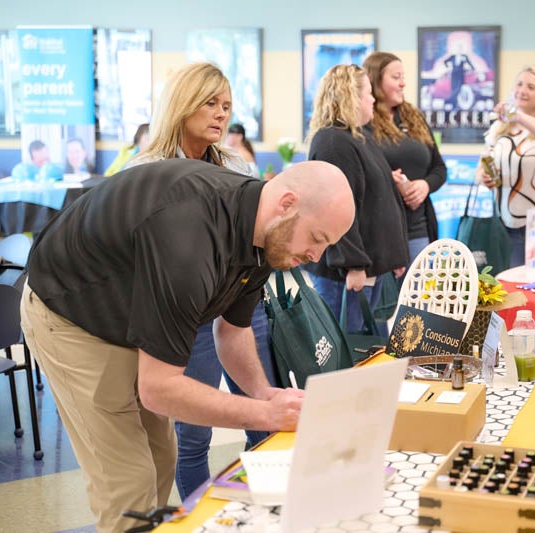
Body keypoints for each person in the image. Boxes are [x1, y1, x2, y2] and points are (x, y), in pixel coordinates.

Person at [20, 157, 355, 533]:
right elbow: (159, 389)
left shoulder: (266, 234)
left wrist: (264, 394)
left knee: (163, 456)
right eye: (317, 238)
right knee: (128, 480)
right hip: (71, 315)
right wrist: (264, 415)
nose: (316, 257)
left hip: (127, 313)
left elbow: (233, 333)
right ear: (287, 204)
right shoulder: (189, 238)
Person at [127, 62, 266, 502]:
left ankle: (262, 511)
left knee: (261, 415)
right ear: (182, 103)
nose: (221, 114)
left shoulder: (237, 165)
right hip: (184, 317)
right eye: (210, 103)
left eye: (226, 105)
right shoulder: (145, 170)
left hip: (238, 305)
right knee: (193, 434)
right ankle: (197, 519)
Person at [305, 64, 408, 332]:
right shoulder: (333, 143)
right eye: (368, 93)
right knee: (344, 346)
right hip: (346, 274)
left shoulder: (358, 137)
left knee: (362, 346)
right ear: (350, 97)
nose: (373, 99)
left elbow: (378, 200)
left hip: (368, 267)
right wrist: (352, 264)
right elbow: (335, 209)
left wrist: (394, 255)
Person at [476, 64, 535, 267]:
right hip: (504, 223)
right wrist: (483, 177)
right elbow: (482, 165)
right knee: (506, 282)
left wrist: (518, 115)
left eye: (531, 87)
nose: (522, 91)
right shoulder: (500, 127)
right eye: (519, 84)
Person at [362, 51, 446, 263]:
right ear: (375, 80)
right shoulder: (363, 122)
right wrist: (387, 180)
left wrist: (425, 185)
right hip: (380, 230)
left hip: (418, 229)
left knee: (420, 284)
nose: (403, 83)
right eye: (395, 77)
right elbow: (358, 175)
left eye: (403, 77)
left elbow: (439, 168)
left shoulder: (414, 117)